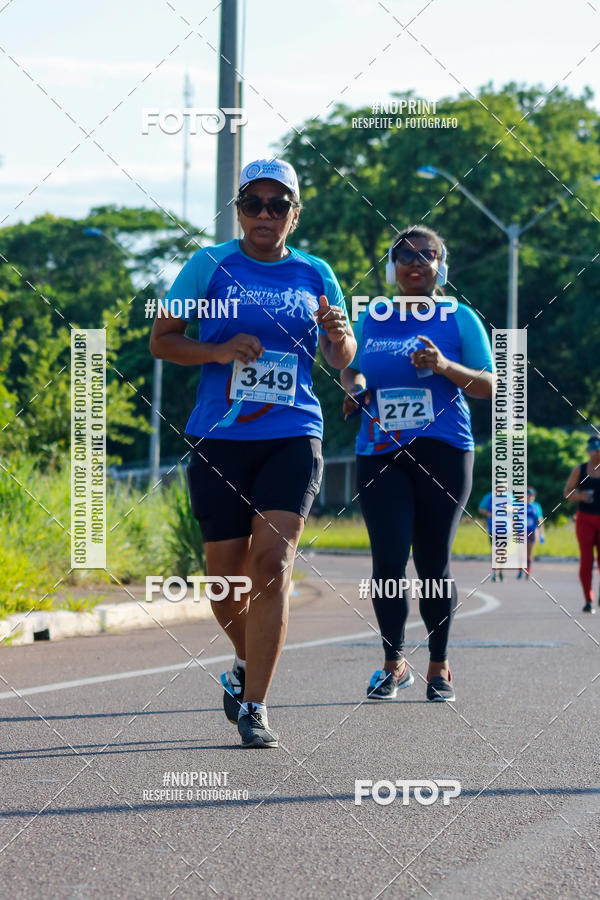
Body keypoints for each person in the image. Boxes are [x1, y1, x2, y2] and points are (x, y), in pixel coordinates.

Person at [150, 158, 356, 747]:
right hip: (220, 437)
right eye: (252, 204)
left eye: (277, 204)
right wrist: (217, 353)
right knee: (224, 582)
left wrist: (340, 338)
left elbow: (342, 358)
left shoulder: (316, 272)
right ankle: (244, 663)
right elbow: (162, 341)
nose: (264, 215)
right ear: (238, 210)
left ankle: (258, 705)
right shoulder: (208, 265)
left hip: (293, 433)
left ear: (295, 213)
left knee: (271, 565)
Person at [341, 225, 495, 702]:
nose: (415, 261)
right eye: (404, 254)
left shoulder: (460, 317)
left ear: (440, 266)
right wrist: (354, 387)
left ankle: (440, 665)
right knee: (387, 560)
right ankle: (393, 663)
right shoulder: (373, 316)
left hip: (444, 450)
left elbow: (489, 383)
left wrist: (445, 366)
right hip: (380, 450)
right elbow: (353, 365)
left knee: (432, 561)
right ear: (392, 266)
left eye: (426, 255)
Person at [563, 434, 600, 613]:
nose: (596, 452)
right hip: (585, 518)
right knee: (586, 560)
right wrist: (580, 496)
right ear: (588, 450)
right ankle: (588, 599)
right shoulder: (581, 469)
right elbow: (567, 492)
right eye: (593, 449)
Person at [518, 486, 544, 580]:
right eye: (528, 495)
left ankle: (528, 571)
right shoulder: (520, 505)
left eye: (531, 496)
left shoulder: (536, 506)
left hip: (532, 532)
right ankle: (520, 570)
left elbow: (540, 520)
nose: (530, 497)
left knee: (529, 554)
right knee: (521, 553)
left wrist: (541, 534)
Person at [478, 491, 503, 582]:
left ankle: (500, 571)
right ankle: (495, 573)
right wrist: (488, 513)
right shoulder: (489, 496)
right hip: (493, 528)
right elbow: (480, 509)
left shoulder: (509, 496)